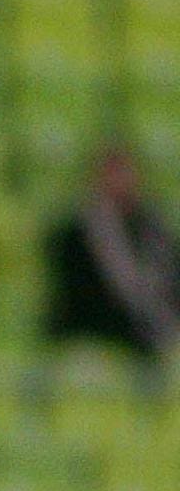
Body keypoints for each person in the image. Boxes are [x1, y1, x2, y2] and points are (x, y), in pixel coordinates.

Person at [43, 144, 180, 374]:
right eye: (112, 173)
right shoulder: (74, 234)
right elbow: (72, 297)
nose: (119, 180)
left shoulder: (155, 228)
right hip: (100, 327)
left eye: (125, 172)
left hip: (153, 321)